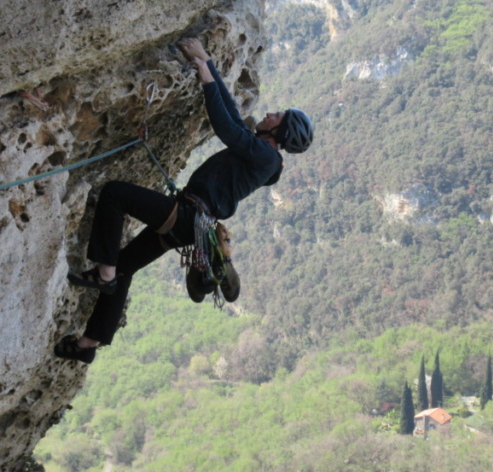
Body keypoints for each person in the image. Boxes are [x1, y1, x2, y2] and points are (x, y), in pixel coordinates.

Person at [55, 37, 314, 364]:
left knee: (114, 194)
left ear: (281, 133)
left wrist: (205, 71)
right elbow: (234, 118)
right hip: (191, 223)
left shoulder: (266, 159)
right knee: (126, 267)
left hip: (188, 216)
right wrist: (206, 63)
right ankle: (87, 345)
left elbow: (226, 128)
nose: (270, 113)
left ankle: (103, 274)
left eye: (278, 116)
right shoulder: (260, 154)